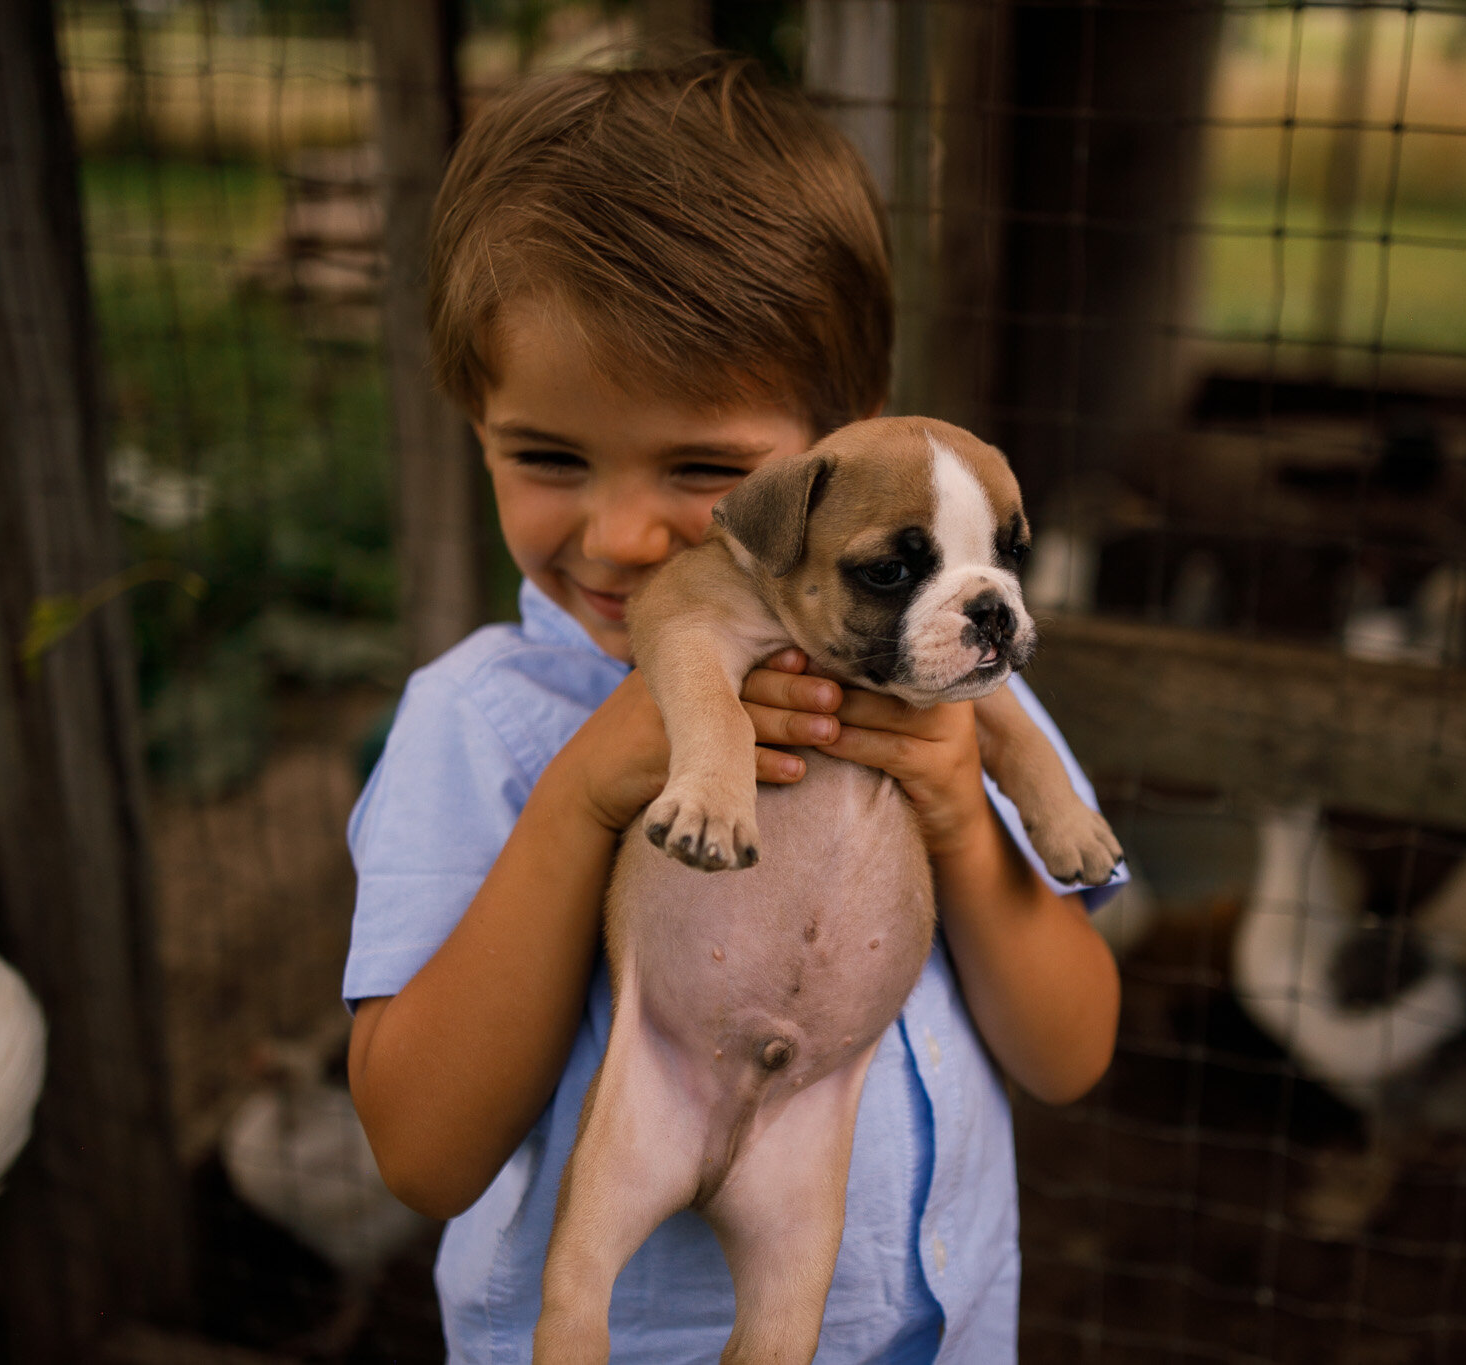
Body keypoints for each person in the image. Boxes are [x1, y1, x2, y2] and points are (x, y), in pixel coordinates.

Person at [343, 53, 1124, 1364]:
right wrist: (590, 792)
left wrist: (959, 812)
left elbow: (1070, 1052)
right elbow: (422, 1152)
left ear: (845, 463)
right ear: (477, 429)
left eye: (705, 468)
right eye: (546, 455)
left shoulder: (946, 679)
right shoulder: (480, 722)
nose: (626, 530)